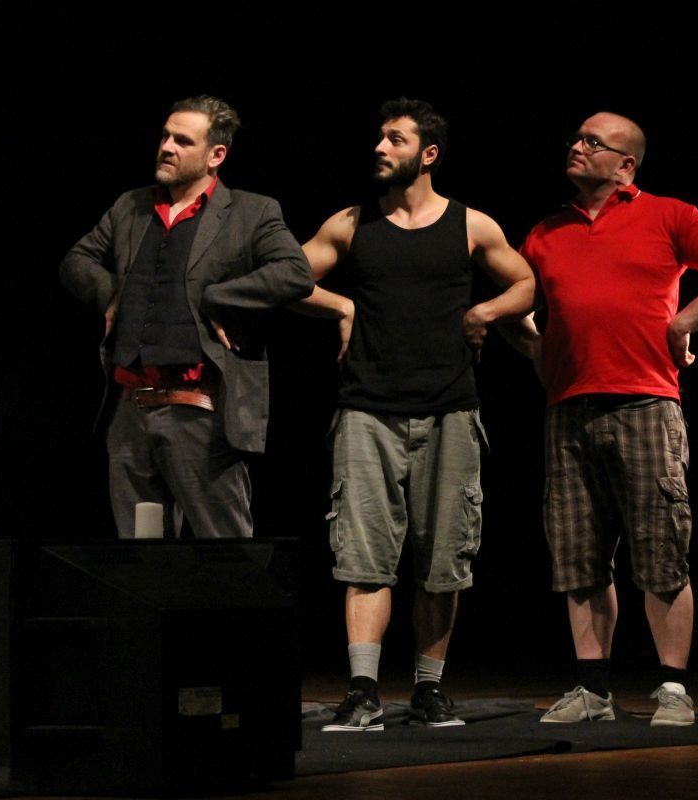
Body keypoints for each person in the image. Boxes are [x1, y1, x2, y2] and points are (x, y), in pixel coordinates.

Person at [513, 112, 698, 726]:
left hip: (646, 402)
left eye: (593, 142)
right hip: (569, 408)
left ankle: (673, 688)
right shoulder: (545, 232)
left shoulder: (668, 215)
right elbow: (516, 304)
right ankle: (592, 689)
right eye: (576, 138)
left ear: (626, 165)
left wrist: (684, 323)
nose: (577, 146)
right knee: (578, 552)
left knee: (661, 548)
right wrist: (536, 349)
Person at [300, 98, 535, 731]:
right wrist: (342, 306)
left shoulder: (470, 225)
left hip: (450, 410)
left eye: (395, 139)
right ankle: (363, 691)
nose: (380, 147)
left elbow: (527, 283)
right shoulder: (353, 223)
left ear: (428, 154)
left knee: (444, 561)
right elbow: (285, 278)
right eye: (379, 137)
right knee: (364, 559)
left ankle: (429, 689)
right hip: (367, 411)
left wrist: (484, 312)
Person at [59, 95, 313, 539]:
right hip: (130, 412)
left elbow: (295, 273)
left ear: (216, 155)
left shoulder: (252, 211)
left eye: (182, 141)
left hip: (200, 411)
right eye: (165, 136)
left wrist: (219, 298)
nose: (166, 147)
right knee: (142, 554)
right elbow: (76, 260)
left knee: (225, 550)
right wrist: (112, 295)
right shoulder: (131, 206)